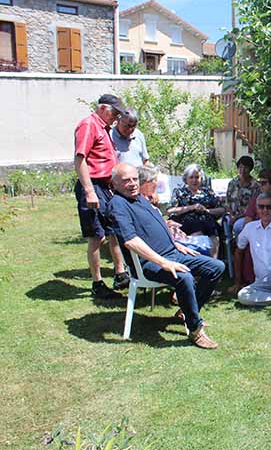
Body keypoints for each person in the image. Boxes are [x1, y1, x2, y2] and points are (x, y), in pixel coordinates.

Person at [108, 163, 225, 349]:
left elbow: (156, 224)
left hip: (172, 253)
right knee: (184, 277)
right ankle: (195, 329)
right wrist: (163, 262)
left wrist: (175, 244)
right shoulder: (118, 204)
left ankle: (187, 312)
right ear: (114, 183)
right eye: (126, 180)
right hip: (148, 264)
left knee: (216, 267)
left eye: (134, 179)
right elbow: (130, 241)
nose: (132, 184)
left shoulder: (139, 198)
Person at [73, 93, 129, 299]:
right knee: (97, 236)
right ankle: (97, 283)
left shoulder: (104, 129)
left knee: (113, 229)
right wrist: (89, 191)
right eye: (115, 113)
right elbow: (80, 159)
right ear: (103, 108)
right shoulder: (88, 125)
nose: (116, 118)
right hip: (94, 186)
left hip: (106, 187)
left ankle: (120, 273)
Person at [166, 164, 226, 259]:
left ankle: (213, 262)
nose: (194, 180)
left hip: (208, 224)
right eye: (191, 177)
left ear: (201, 178)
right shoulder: (179, 192)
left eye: (197, 177)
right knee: (198, 227)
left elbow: (222, 209)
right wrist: (191, 207)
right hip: (186, 224)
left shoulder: (208, 192)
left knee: (213, 233)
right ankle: (197, 261)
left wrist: (207, 210)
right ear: (186, 179)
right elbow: (170, 211)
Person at [225, 155, 260, 236]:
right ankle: (229, 246)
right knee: (224, 223)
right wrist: (231, 215)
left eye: (245, 168)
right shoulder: (232, 183)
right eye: (240, 167)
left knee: (238, 226)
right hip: (232, 214)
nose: (242, 170)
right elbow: (227, 202)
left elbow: (253, 207)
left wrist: (236, 217)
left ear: (250, 169)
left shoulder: (256, 186)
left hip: (247, 217)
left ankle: (240, 245)